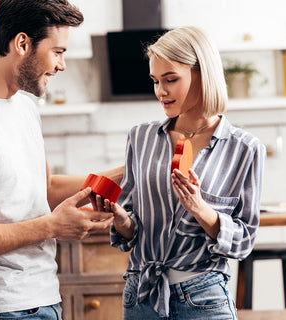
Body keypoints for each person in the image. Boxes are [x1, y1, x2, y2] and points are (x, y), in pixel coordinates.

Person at [0, 0, 123, 319]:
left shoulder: (24, 106)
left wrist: (124, 173)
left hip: (43, 299)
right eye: (57, 51)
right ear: (22, 43)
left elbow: (43, 188)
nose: (62, 65)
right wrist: (52, 226)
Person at [97, 26, 266, 319]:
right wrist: (121, 218)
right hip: (141, 295)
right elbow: (132, 228)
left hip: (204, 297)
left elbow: (243, 240)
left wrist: (200, 209)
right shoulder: (140, 137)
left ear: (202, 74)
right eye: (155, 80)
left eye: (171, 79)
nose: (160, 91)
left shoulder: (245, 148)